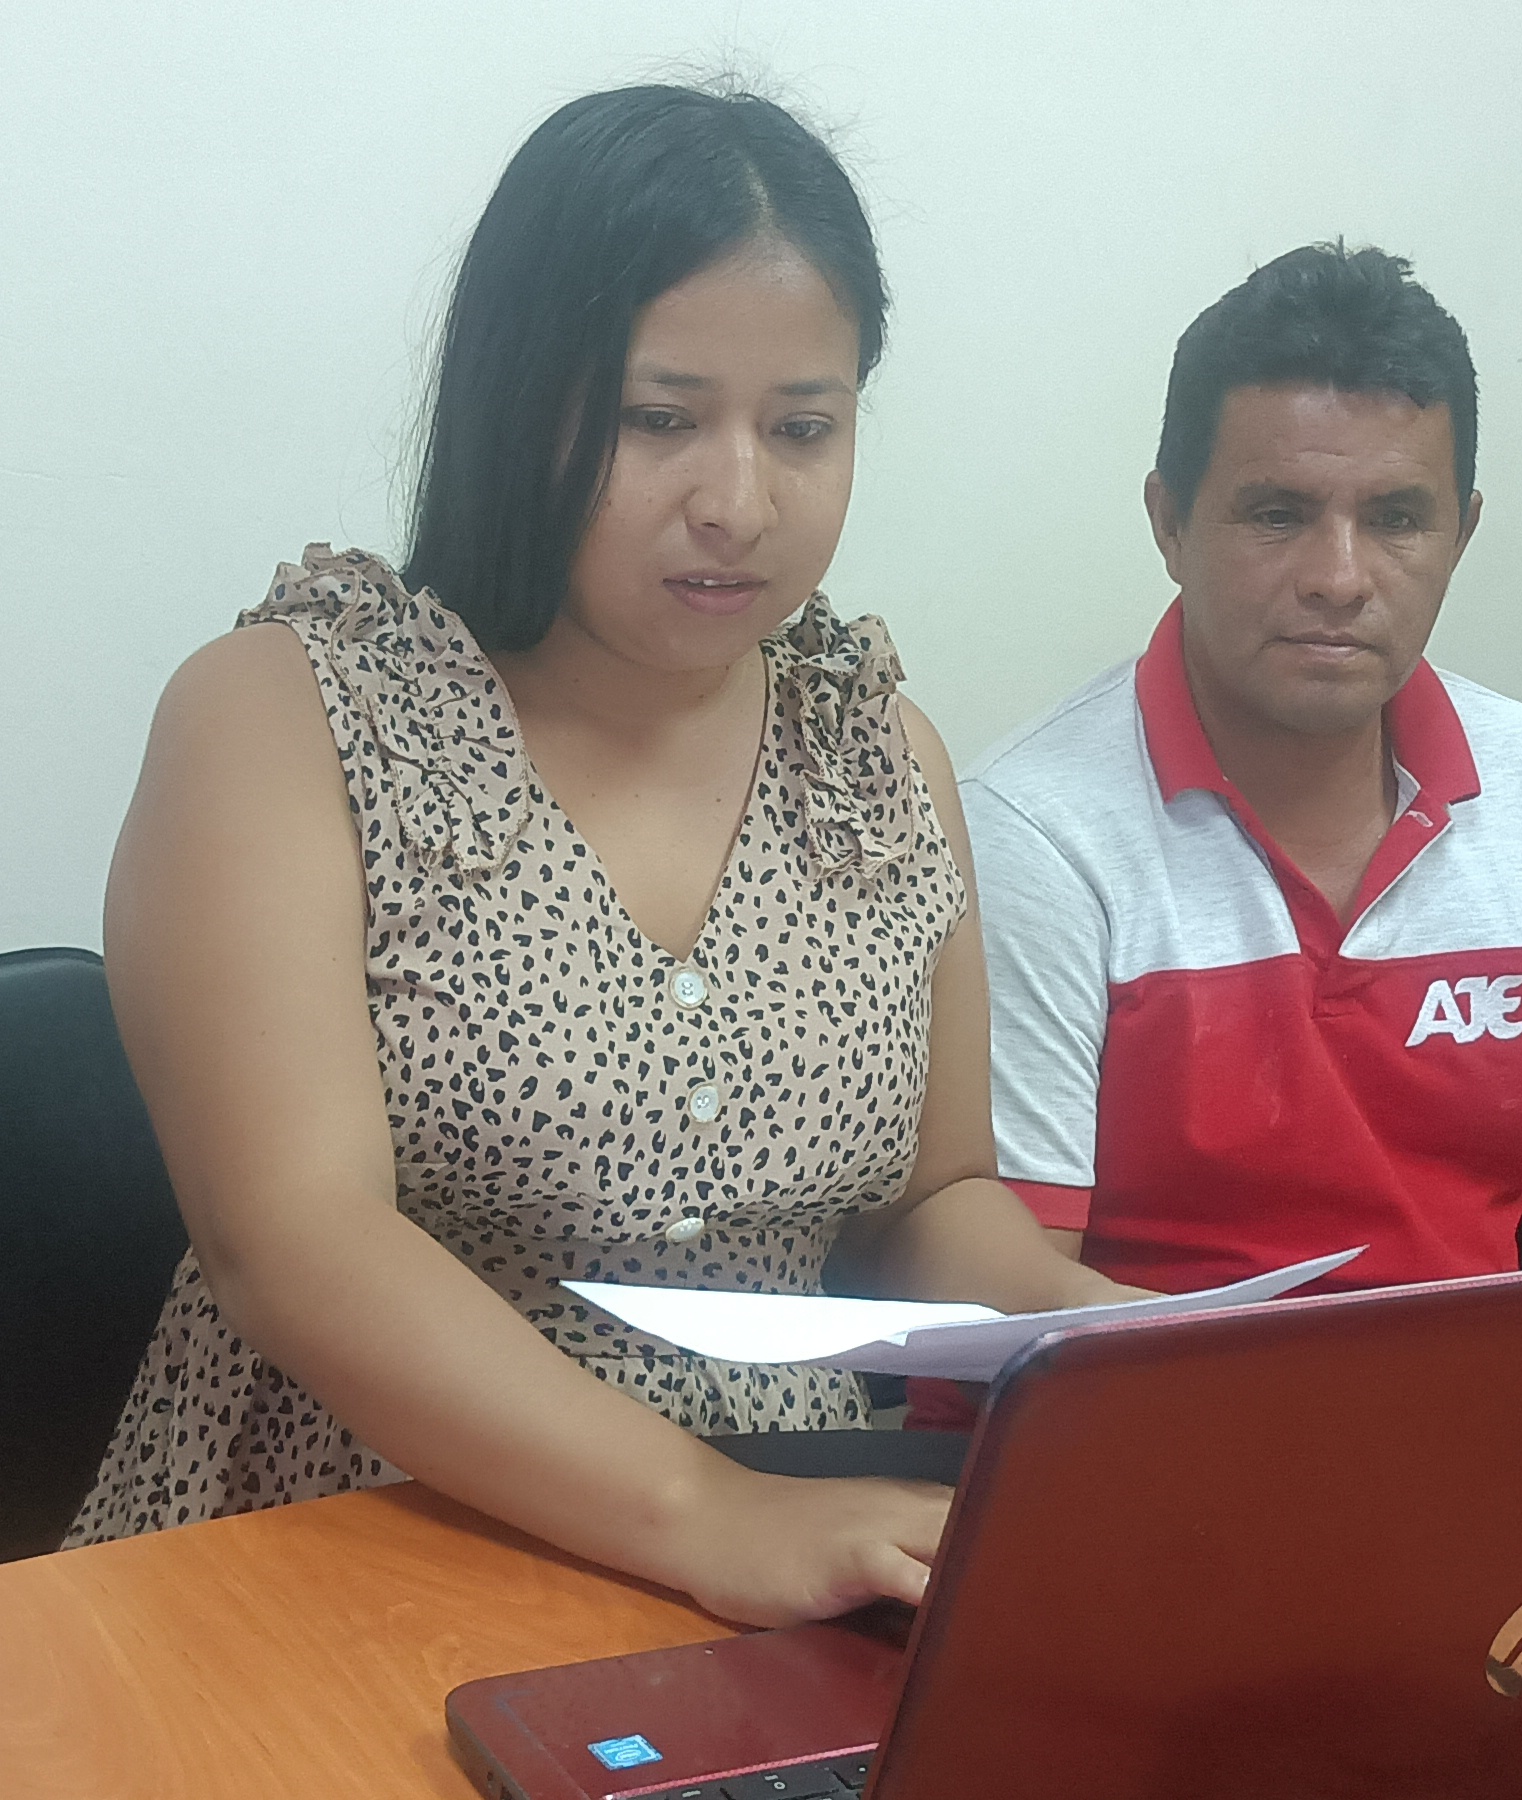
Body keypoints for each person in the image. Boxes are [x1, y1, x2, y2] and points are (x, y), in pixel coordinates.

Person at [64, 85, 1136, 1629]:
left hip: (796, 1533)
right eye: (658, 419)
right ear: (519, 399)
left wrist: (1114, 1337)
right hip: (360, 1529)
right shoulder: (293, 717)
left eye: (804, 429)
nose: (739, 503)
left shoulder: (874, 752)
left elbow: (928, 1199)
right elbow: (292, 1242)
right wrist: (707, 1511)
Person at [934, 243, 1522, 1415]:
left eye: (1396, 519)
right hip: (1146, 1439)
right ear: (1168, 523)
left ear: (1461, 533)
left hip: (1482, 1437)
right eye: (1278, 514)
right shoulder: (1037, 833)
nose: (1339, 577)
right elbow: (1016, 1292)